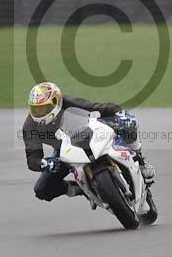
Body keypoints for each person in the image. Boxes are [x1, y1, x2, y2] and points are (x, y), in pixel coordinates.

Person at [22, 81, 155, 202]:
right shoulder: (30, 126)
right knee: (41, 189)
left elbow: (97, 107)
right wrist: (44, 163)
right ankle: (78, 190)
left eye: (43, 108)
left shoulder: (67, 102)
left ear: (56, 102)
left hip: (89, 133)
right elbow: (32, 158)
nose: (39, 112)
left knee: (127, 124)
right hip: (65, 151)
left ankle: (141, 160)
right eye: (35, 109)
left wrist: (119, 113)